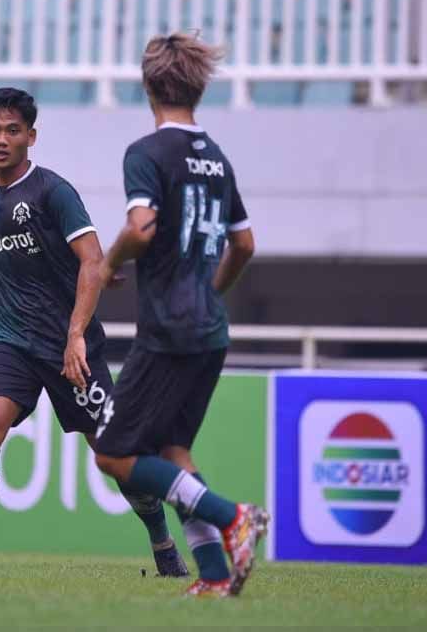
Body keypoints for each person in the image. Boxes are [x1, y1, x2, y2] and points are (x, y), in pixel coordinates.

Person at [0, 88, 189, 578]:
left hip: (70, 346)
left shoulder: (53, 192)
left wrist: (75, 336)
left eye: (13, 131)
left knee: (115, 456)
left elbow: (91, 264)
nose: (3, 140)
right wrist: (3, 304)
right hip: (13, 340)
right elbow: (30, 271)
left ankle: (163, 542)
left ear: (31, 137)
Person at [91, 34, 269, 598]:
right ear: (199, 87)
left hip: (167, 331)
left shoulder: (147, 153)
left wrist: (106, 265)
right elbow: (244, 245)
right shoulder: (216, 158)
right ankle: (216, 575)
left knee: (114, 454)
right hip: (209, 330)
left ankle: (232, 515)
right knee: (174, 452)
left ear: (148, 87)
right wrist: (211, 293)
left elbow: (140, 227)